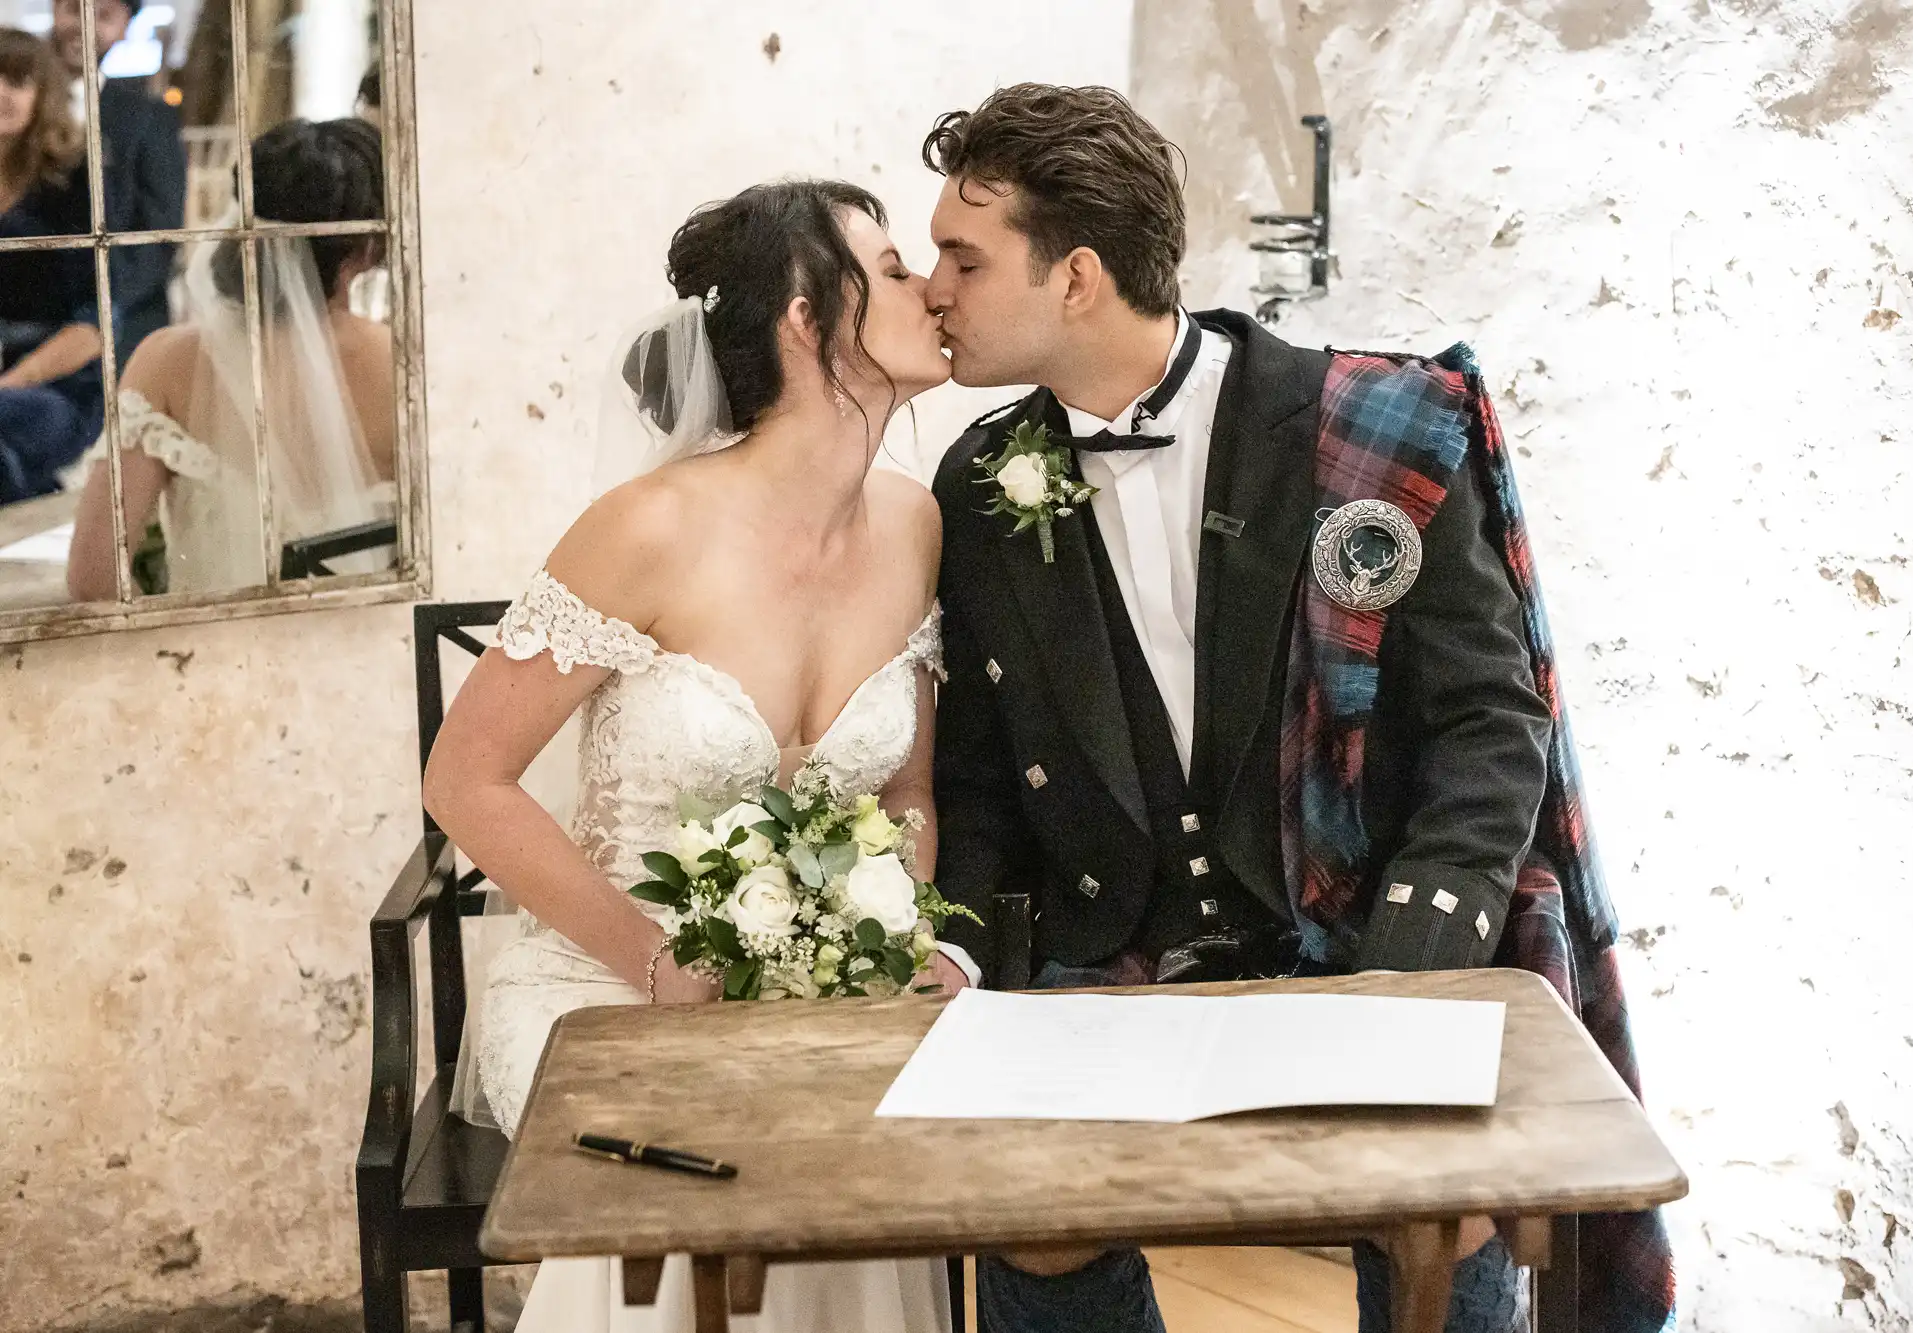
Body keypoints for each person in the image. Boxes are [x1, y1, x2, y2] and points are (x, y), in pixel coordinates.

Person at [925, 84, 1672, 1333]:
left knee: (1443, 1203)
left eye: (962, 256)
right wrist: (954, 945)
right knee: (1032, 1216)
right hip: (1115, 953)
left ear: (1077, 279)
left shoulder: (1370, 426)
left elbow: (1492, 723)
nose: (932, 288)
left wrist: (1412, 971)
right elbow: (983, 778)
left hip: (1357, 928)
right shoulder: (980, 479)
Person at [421, 179, 971, 1333]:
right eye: (890, 263)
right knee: (729, 1146)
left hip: (816, 992)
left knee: (858, 1118)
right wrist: (658, 959)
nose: (928, 287)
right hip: (609, 983)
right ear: (805, 320)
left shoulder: (915, 523)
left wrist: (899, 933)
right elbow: (463, 780)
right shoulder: (648, 526)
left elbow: (905, 791)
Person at [66, 118, 392, 599]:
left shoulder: (166, 362)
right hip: (377, 660)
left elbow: (93, 577)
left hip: (212, 663)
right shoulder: (405, 368)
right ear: (365, 251)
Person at [51, 0, 186, 363]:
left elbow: (160, 229)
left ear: (125, 28)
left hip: (124, 321)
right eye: (72, 9)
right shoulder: (18, 110)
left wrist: (100, 307)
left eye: (104, 16)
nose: (84, 25)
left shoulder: (148, 118)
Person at [0, 26, 100, 504]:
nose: (1, 92)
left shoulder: (74, 181)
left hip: (58, 383)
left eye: (17, 80)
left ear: (43, 94)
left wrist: (12, 382)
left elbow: (95, 322)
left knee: (29, 417)